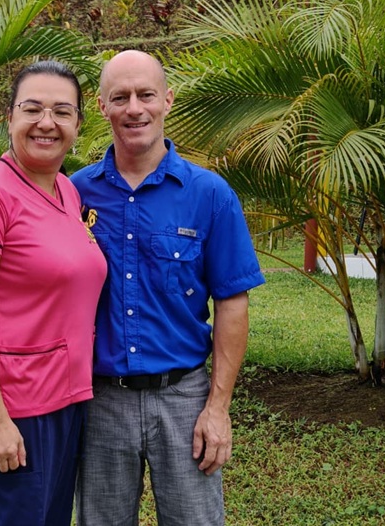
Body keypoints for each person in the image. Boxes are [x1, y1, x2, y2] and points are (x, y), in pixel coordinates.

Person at [71, 50, 265, 525]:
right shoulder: (72, 194)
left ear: (167, 101)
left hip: (185, 399)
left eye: (146, 95)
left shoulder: (210, 195)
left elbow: (232, 305)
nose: (134, 108)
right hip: (100, 402)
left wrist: (218, 409)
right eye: (121, 97)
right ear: (102, 106)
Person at [0, 60, 107, 526]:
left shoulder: (67, 191)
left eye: (62, 111)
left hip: (67, 400)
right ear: (10, 118)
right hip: (15, 407)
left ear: (78, 123)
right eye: (32, 108)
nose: (46, 123)